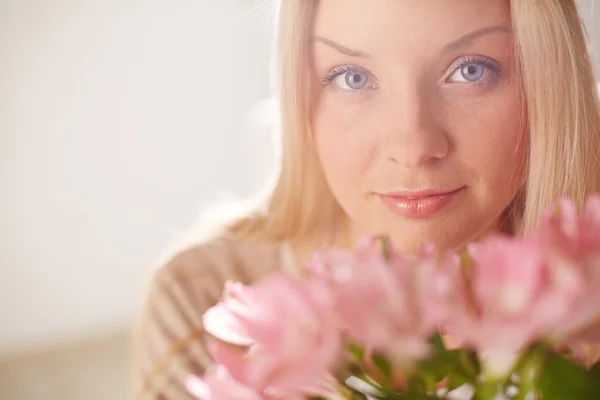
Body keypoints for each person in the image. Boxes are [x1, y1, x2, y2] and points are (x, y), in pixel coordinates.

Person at [132, 0, 600, 398]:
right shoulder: (198, 301)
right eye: (352, 77)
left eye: (470, 71)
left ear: (547, 81)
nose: (412, 147)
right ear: (301, 96)